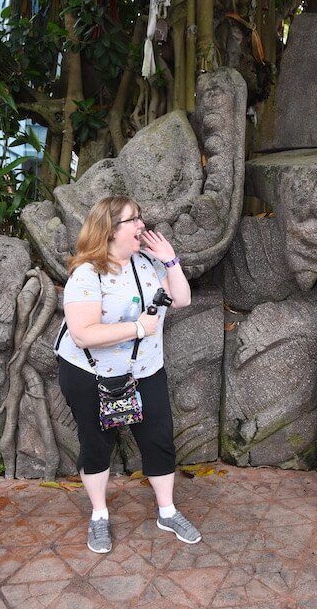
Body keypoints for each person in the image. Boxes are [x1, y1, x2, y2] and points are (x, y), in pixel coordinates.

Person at [55, 195, 201, 553]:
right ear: (109, 229)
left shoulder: (148, 263)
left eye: (140, 218)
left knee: (158, 438)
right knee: (97, 443)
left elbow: (181, 299)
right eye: (133, 220)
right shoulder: (87, 274)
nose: (142, 225)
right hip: (89, 374)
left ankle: (167, 511)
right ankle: (99, 515)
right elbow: (82, 333)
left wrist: (171, 261)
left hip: (144, 371)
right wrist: (137, 328)